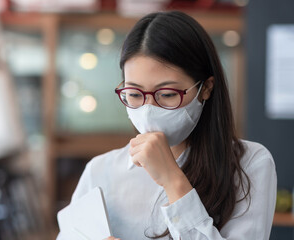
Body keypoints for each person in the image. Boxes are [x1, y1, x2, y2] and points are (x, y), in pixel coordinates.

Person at [57, 11, 276, 240]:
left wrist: (172, 179)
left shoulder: (250, 164)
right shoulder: (100, 171)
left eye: (168, 94)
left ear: (206, 88)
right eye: (134, 93)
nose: (149, 109)